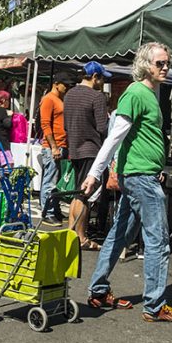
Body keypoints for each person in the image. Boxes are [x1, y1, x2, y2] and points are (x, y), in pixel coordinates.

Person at [81, 42, 172, 324]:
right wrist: (95, 174)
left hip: (142, 175)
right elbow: (114, 138)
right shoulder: (136, 93)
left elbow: (143, 138)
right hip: (140, 179)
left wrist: (157, 166)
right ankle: (154, 305)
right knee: (158, 242)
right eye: (159, 64)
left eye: (168, 63)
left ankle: (98, 290)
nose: (165, 67)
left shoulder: (152, 94)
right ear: (145, 65)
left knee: (120, 235)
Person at [63, 61, 111, 249]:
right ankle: (82, 237)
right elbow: (102, 127)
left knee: (78, 192)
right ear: (94, 77)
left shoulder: (69, 94)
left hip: (74, 148)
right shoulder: (96, 97)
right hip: (91, 149)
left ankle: (71, 233)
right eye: (101, 78)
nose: (101, 82)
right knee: (85, 194)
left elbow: (66, 124)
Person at [38, 73, 73, 223]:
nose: (67, 87)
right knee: (50, 180)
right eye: (65, 84)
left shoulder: (59, 99)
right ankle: (48, 212)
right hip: (53, 146)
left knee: (56, 181)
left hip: (61, 144)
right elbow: (45, 124)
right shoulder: (48, 99)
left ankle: (54, 209)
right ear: (56, 83)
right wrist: (53, 147)